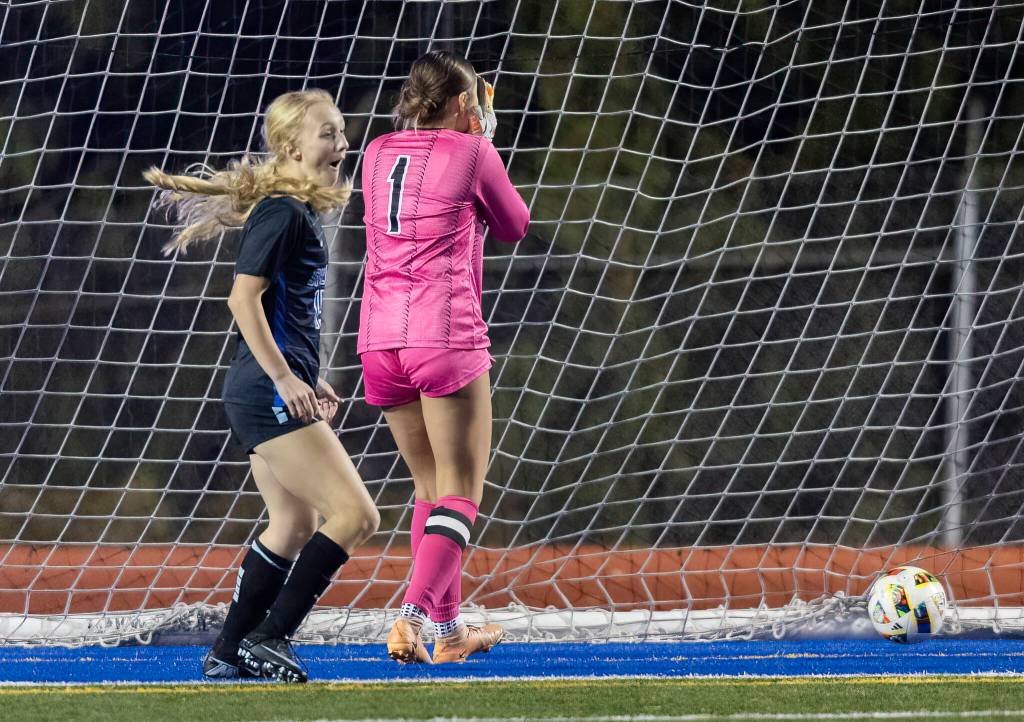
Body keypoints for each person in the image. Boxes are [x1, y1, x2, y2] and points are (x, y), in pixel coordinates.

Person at [144, 89, 379, 683]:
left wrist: (309, 375)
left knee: (293, 526)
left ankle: (228, 650)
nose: (341, 145)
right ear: (292, 146)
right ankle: (269, 637)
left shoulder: (293, 211)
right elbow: (241, 298)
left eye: (341, 132)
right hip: (264, 391)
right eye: (328, 134)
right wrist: (283, 378)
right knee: (355, 515)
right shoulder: (283, 212)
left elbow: (282, 313)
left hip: (267, 388)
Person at [358, 50, 530, 664]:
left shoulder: (375, 152)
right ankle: (410, 616)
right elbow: (514, 224)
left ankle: (450, 631)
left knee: (428, 488)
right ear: (463, 103)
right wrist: (487, 142)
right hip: (444, 333)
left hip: (379, 337)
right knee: (459, 491)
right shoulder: (475, 151)